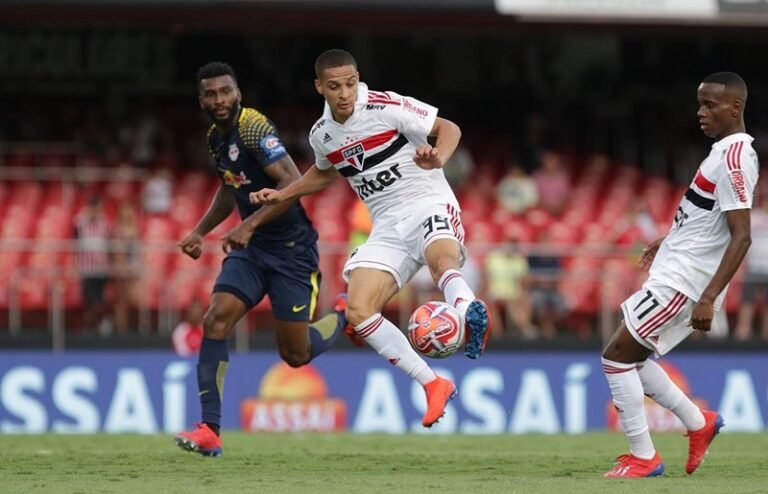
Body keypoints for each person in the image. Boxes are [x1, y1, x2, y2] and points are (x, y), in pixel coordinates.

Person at [250, 49, 491, 428]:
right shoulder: (322, 134)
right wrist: (283, 194)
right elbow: (325, 172)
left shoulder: (385, 106)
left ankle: (467, 312)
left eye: (349, 83)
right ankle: (433, 385)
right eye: (334, 87)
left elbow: (450, 129)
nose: (345, 93)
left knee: (440, 259)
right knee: (359, 310)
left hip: (427, 199)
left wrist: (439, 156)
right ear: (319, 88)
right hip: (387, 225)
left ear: (357, 78)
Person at [174, 62, 348, 457]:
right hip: (252, 252)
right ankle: (210, 430)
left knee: (296, 355)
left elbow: (291, 182)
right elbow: (229, 186)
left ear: (238, 94)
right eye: (211, 94)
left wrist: (248, 225)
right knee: (214, 320)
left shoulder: (253, 127)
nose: (219, 100)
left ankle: (343, 313)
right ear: (201, 99)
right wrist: (201, 231)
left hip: (290, 252)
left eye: (225, 92)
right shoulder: (215, 138)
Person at [601, 72, 758, 478]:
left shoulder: (736, 157)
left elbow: (742, 236)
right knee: (630, 358)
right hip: (675, 268)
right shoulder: (721, 151)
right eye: (700, 103)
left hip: (685, 281)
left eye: (710, 105)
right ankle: (698, 422)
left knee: (616, 358)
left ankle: (644, 457)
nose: (700, 113)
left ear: (735, 108)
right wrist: (666, 239)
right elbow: (705, 215)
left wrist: (708, 297)